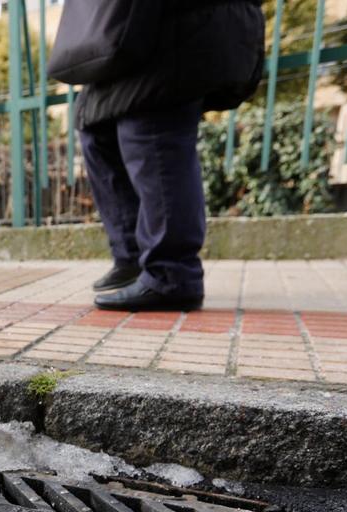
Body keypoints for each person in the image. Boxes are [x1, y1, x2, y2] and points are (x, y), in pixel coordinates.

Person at [75, 0, 265, 312]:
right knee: (96, 128)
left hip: (177, 20)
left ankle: (172, 274)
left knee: (151, 126)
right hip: (126, 20)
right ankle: (133, 259)